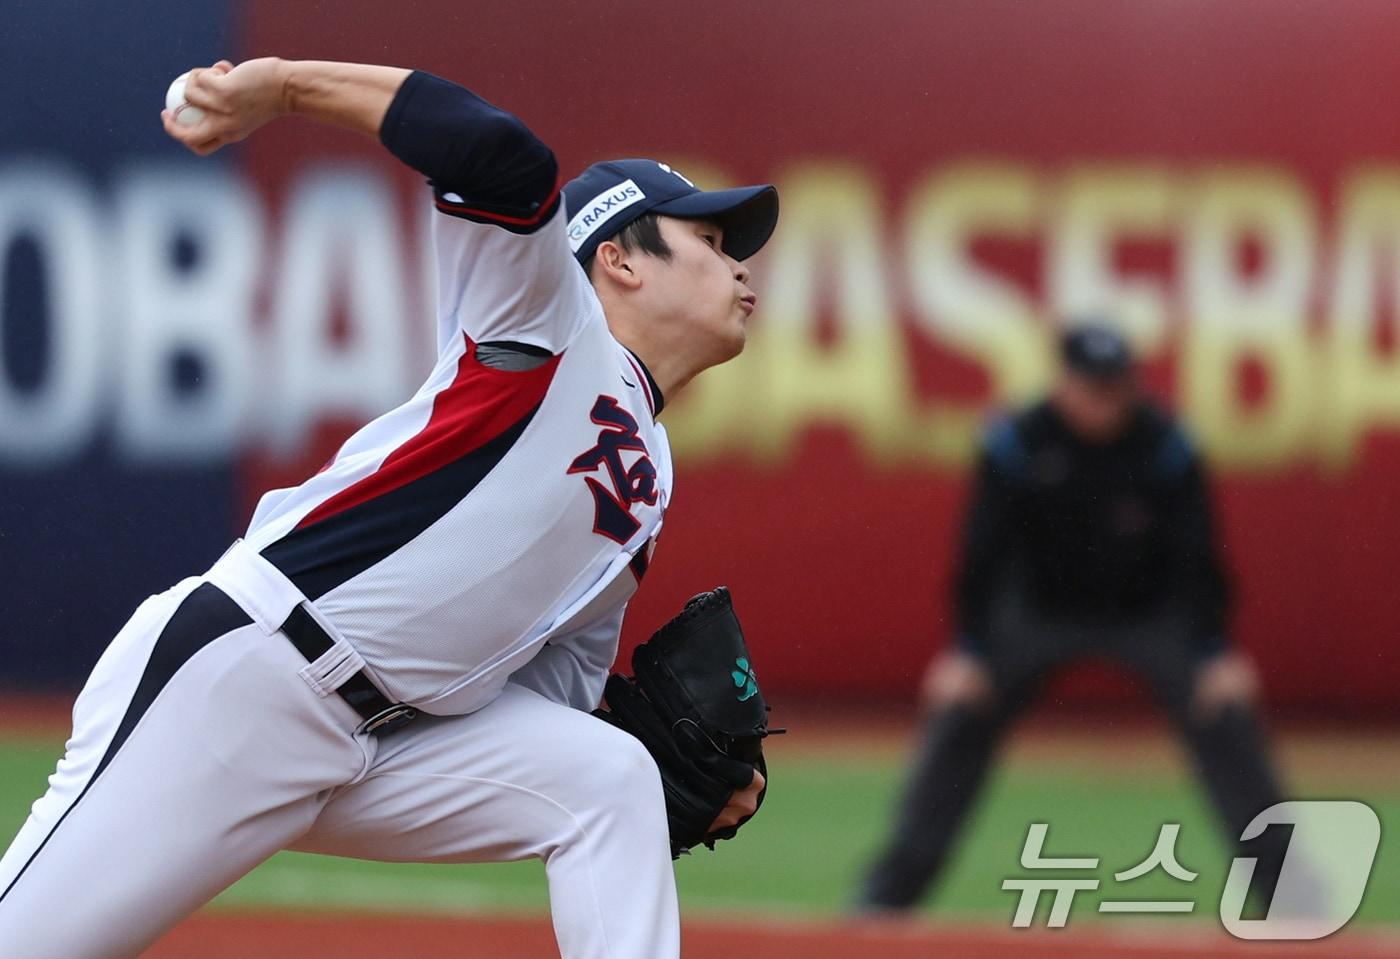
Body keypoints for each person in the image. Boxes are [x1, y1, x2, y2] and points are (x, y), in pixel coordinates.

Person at [0, 58, 778, 959]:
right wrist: (281, 88)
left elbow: (547, 692)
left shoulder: (650, 476)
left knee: (611, 780)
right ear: (618, 258)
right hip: (247, 683)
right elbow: (501, 156)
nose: (740, 265)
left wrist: (656, 746)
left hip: (384, 746)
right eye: (709, 240)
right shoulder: (548, 322)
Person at [858, 323, 1290, 913]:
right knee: (962, 711)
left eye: (1114, 389)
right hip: (1039, 612)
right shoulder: (1017, 441)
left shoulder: (1165, 444)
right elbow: (982, 554)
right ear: (1064, 383)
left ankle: (1292, 898)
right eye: (1091, 389)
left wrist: (1214, 651)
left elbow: (1198, 556)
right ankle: (883, 904)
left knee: (1222, 708)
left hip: (1147, 613)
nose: (1102, 404)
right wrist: (969, 650)